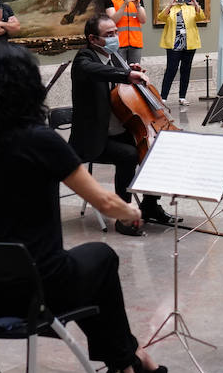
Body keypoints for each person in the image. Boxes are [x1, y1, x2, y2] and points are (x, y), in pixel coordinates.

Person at [0, 40, 163, 373]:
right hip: (35, 288)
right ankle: (123, 364)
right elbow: (103, 201)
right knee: (101, 259)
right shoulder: (39, 140)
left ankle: (128, 363)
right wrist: (134, 212)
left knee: (87, 270)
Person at [69, 16, 177, 235]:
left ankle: (149, 205)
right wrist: (127, 74)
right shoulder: (83, 60)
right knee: (128, 154)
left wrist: (130, 70)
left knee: (156, 149)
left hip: (118, 132)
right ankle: (123, 217)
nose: (115, 38)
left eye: (116, 32)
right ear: (92, 39)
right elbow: (96, 71)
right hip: (93, 138)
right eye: (109, 35)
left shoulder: (115, 58)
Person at [157, 0, 202, 105]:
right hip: (174, 44)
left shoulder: (191, 8)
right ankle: (163, 97)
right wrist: (170, 5)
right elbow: (161, 17)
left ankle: (182, 97)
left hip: (189, 44)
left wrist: (195, 4)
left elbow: (200, 17)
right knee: (171, 69)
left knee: (186, 70)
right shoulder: (171, 8)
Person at [107, 0, 147, 64]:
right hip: (118, 44)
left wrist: (138, 6)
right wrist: (124, 4)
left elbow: (143, 20)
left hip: (135, 43)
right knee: (120, 73)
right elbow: (112, 21)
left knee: (135, 72)